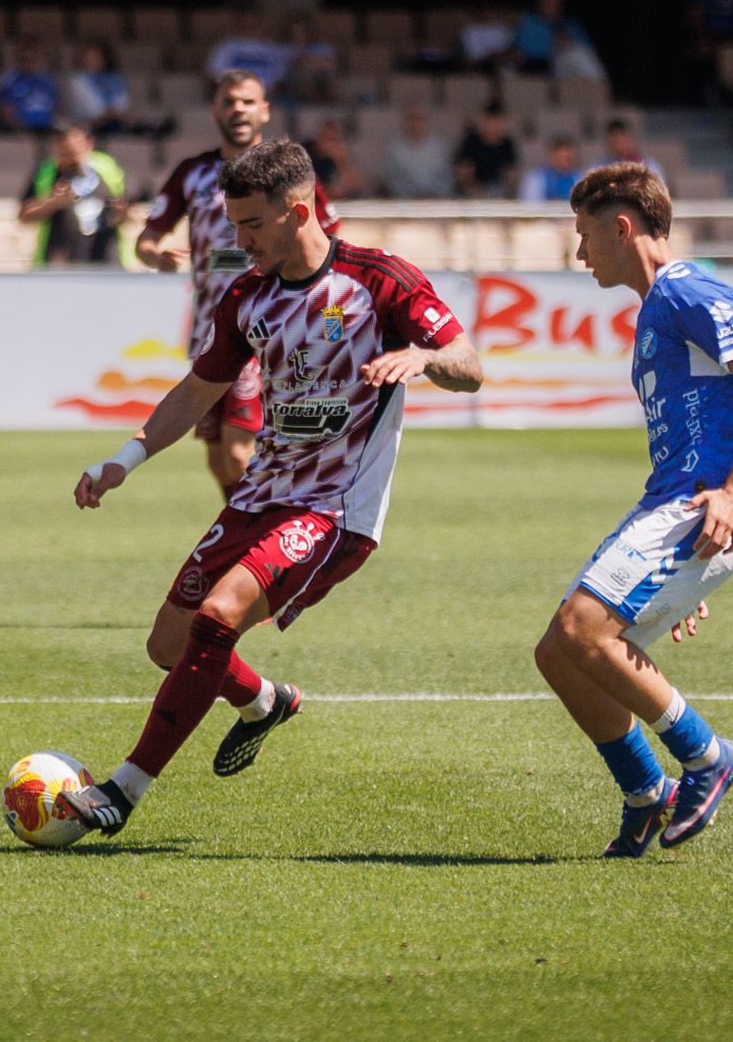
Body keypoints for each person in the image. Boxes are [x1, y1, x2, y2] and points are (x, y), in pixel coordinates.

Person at [58, 140, 483, 838]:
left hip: (334, 508)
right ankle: (264, 703)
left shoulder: (378, 280)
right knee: (168, 646)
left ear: (298, 210)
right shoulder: (248, 294)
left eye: (251, 224)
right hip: (261, 497)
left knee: (219, 618)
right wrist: (123, 459)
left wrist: (427, 357)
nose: (238, 238)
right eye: (233, 222)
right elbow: (199, 390)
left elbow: (469, 364)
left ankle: (123, 789)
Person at [538, 163, 733, 858]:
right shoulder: (657, 307)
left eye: (585, 234)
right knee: (560, 653)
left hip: (700, 504)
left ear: (623, 228)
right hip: (675, 510)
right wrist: (685, 580)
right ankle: (646, 794)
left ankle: (708, 758)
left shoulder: (686, 289)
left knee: (581, 627)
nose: (580, 252)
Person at [135, 70, 341, 502]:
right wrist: (156, 255)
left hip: (268, 321)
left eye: (247, 101)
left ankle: (270, 527)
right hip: (213, 326)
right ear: (215, 110)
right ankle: (250, 526)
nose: (238, 109)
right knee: (220, 460)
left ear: (265, 109)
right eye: (229, 101)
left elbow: (327, 238)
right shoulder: (192, 173)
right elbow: (147, 239)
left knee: (237, 447)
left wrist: (328, 310)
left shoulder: (289, 172)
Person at [19, 122, 128, 266]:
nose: (69, 160)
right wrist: (53, 203)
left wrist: (121, 213)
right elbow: (24, 215)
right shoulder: (46, 172)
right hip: (58, 260)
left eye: (73, 153)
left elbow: (124, 210)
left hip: (105, 258)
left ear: (88, 144)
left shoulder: (106, 168)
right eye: (63, 153)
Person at [511, 0, 592, 76]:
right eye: (547, 3)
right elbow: (525, 51)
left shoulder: (571, 24)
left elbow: (587, 48)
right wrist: (554, 44)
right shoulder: (529, 22)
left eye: (555, 3)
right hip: (549, 66)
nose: (551, 6)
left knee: (579, 54)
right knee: (576, 55)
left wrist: (570, 42)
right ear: (539, 2)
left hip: (575, 66)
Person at [202, 13, 290, 92]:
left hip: (268, 95)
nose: (249, 29)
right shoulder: (226, 46)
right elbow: (214, 73)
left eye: (253, 25)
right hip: (234, 94)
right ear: (238, 27)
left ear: (261, 26)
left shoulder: (272, 48)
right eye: (245, 26)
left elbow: (280, 76)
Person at [383, 104, 456, 199]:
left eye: (419, 118)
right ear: (405, 121)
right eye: (412, 118)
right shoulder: (395, 148)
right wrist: (411, 194)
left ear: (426, 121)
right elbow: (390, 178)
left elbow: (447, 177)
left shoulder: (439, 147)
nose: (416, 123)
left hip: (435, 201)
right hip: (404, 202)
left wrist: (432, 194)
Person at [64, 40, 131, 136]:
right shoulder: (77, 80)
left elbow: (122, 106)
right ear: (82, 60)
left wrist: (112, 114)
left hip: (114, 125)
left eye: (96, 58)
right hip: (86, 127)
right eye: (89, 58)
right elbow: (93, 110)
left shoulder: (114, 78)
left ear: (104, 59)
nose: (93, 61)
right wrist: (109, 114)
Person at [0, 39, 61, 134]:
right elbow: (6, 112)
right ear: (18, 60)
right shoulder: (9, 80)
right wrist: (19, 129)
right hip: (21, 128)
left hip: (47, 128)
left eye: (32, 59)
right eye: (24, 59)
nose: (28, 63)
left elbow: (57, 108)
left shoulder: (48, 80)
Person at [454, 104, 519, 198]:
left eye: (496, 122)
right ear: (483, 121)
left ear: (502, 123)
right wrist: (473, 186)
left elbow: (511, 172)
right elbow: (463, 170)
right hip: (473, 190)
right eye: (490, 121)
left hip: (499, 190)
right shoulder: (471, 141)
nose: (493, 126)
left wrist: (508, 188)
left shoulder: (507, 144)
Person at [304, 118, 364, 200]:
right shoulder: (305, 152)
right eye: (326, 138)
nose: (328, 144)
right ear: (319, 136)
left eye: (333, 139)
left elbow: (353, 186)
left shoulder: (334, 155)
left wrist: (341, 160)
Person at [518, 137, 585, 202]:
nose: (564, 162)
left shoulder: (580, 179)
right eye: (560, 158)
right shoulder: (535, 179)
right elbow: (530, 206)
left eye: (568, 158)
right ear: (551, 156)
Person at [598, 119, 665, 183]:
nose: (618, 146)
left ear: (629, 138)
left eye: (621, 141)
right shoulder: (600, 167)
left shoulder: (650, 166)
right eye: (613, 142)